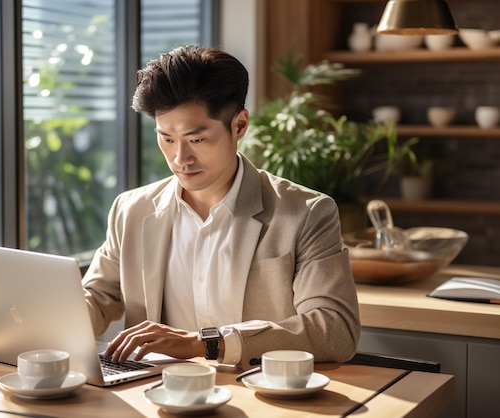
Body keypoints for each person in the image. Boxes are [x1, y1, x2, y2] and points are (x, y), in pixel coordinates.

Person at [81, 44, 360, 370]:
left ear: (239, 125)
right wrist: (33, 313)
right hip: (152, 398)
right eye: (167, 138)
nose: (179, 158)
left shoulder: (306, 213)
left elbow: (335, 328)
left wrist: (204, 343)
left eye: (196, 139)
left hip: (259, 398)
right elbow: (97, 300)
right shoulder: (132, 210)